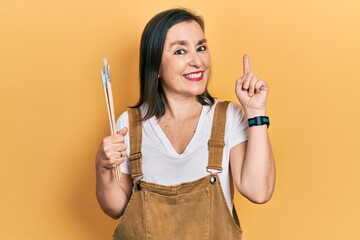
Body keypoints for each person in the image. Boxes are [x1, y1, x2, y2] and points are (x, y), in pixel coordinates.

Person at [95, 8, 275, 239]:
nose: (197, 61)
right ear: (155, 66)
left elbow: (259, 192)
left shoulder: (228, 116)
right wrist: (102, 165)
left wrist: (256, 113)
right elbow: (116, 208)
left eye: (201, 48)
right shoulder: (130, 124)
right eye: (180, 51)